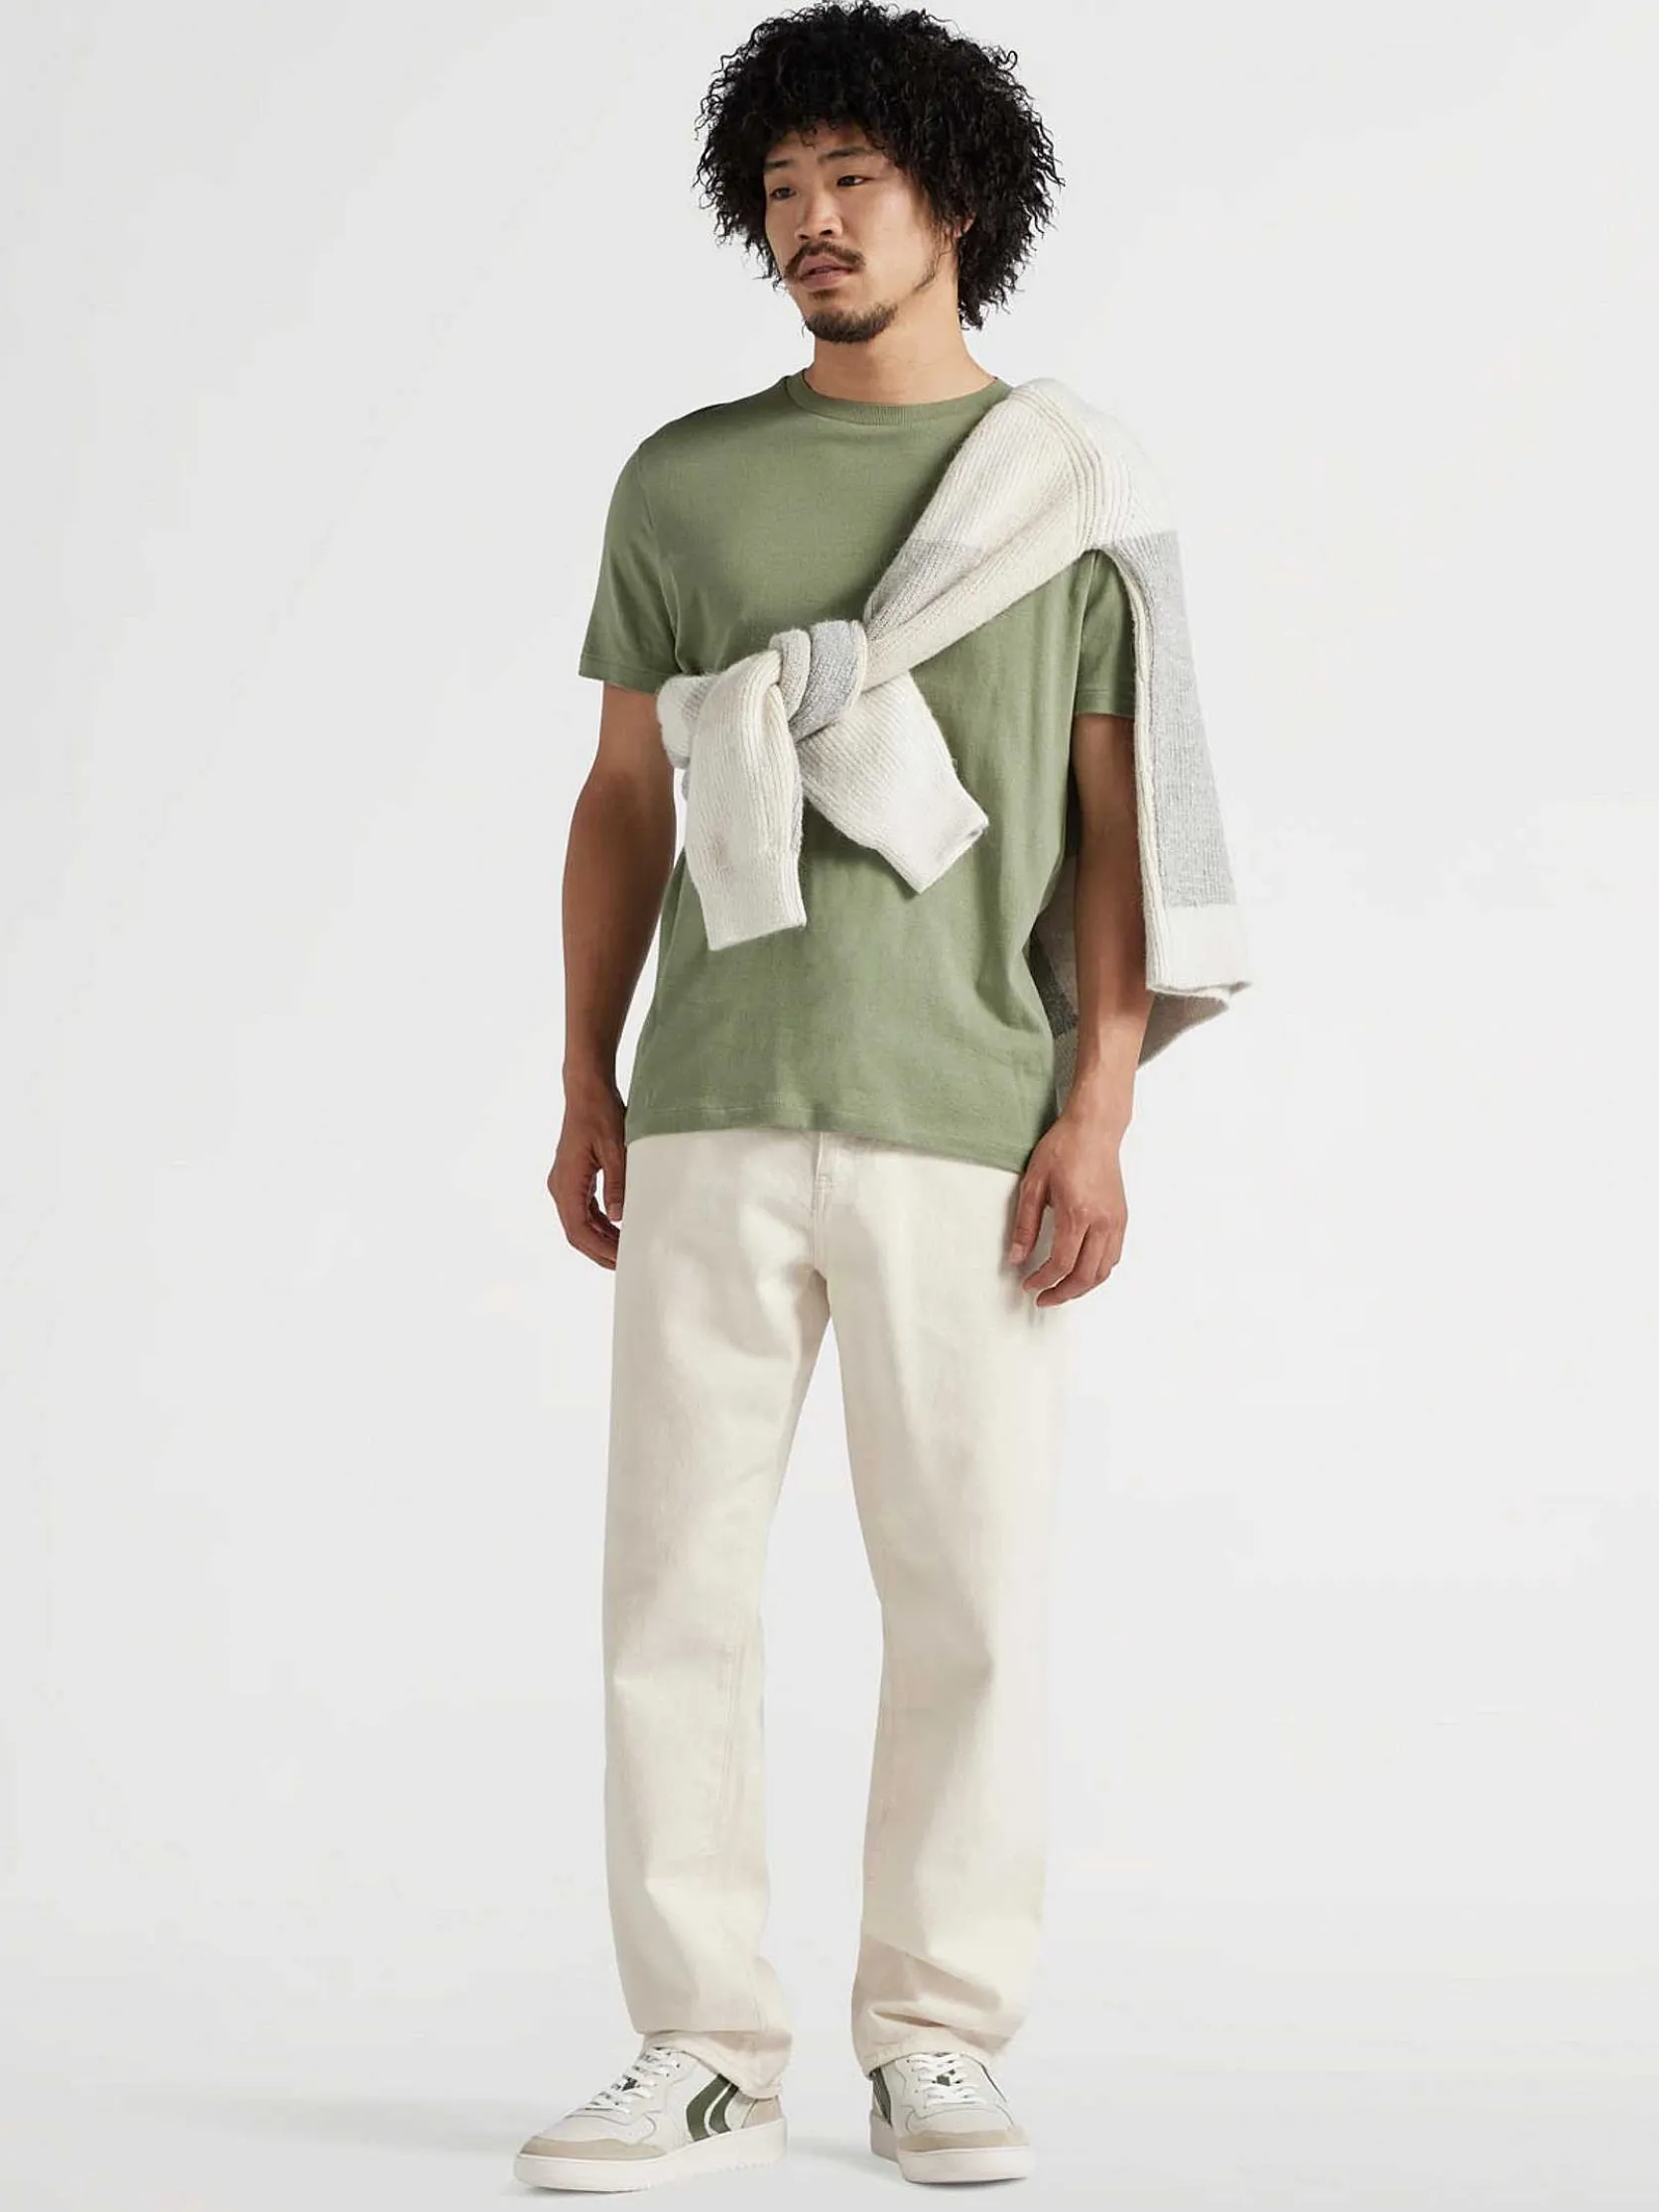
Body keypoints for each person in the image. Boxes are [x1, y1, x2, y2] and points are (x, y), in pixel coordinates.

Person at [518, 0, 1183, 2189]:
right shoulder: (682, 480)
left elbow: (1116, 823)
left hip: (965, 1115)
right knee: (670, 1593)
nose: (811, 223)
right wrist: (583, 1068)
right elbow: (625, 797)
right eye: (782, 193)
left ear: (950, 197)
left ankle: (934, 2034)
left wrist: (1099, 1104)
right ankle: (701, 2039)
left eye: (851, 184)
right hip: (711, 1098)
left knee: (967, 1593)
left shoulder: (1065, 489)